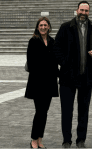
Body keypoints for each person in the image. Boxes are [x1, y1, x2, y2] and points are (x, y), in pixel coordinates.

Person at [53, 1, 92, 148]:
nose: (83, 13)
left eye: (86, 11)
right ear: (76, 10)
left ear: (89, 12)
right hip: (67, 77)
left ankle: (81, 139)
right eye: (81, 10)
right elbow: (56, 47)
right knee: (67, 111)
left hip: (86, 76)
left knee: (83, 110)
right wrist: (64, 62)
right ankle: (66, 140)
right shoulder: (65, 27)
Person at [25, 17, 59, 148]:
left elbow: (55, 61)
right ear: (37, 27)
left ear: (49, 27)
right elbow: (31, 63)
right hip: (38, 83)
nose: (43, 27)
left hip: (50, 83)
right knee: (39, 111)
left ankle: (39, 138)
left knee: (44, 111)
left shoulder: (52, 41)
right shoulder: (33, 41)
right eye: (41, 25)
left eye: (45, 25)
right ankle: (33, 139)